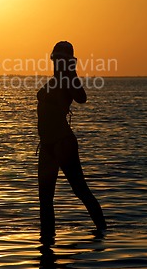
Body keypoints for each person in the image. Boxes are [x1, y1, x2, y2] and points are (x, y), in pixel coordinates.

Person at [37, 41, 106, 242]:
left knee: (80, 189)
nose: (56, 63)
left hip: (62, 143)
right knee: (45, 199)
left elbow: (82, 98)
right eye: (55, 59)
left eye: (61, 60)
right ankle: (46, 243)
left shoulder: (68, 78)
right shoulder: (54, 80)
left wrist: (71, 72)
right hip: (47, 145)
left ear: (67, 61)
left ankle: (102, 232)